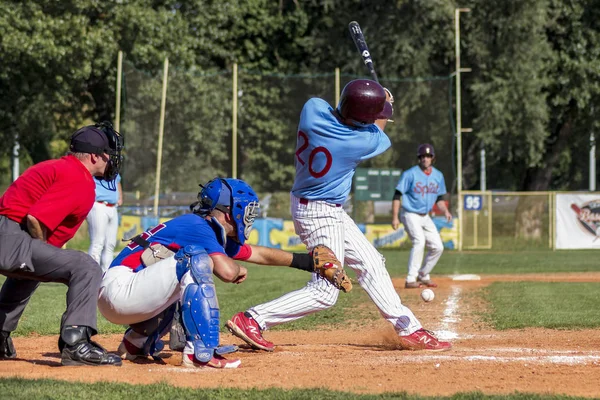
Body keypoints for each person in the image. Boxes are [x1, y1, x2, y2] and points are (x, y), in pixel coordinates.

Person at [226, 79, 452, 352]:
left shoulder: (312, 109)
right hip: (320, 214)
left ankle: (408, 328)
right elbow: (378, 125)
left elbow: (346, 109)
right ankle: (252, 319)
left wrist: (374, 99)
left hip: (319, 206)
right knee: (325, 293)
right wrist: (386, 100)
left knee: (371, 262)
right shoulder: (357, 143)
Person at [98, 178, 320, 369]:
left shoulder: (205, 229)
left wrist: (307, 262)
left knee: (187, 268)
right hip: (120, 291)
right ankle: (200, 354)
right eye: (245, 209)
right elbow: (226, 271)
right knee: (195, 258)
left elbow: (258, 254)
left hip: (122, 293)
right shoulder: (198, 227)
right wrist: (237, 269)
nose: (249, 217)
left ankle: (135, 343)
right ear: (229, 211)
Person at [0, 122, 124, 366]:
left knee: (28, 275)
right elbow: (35, 218)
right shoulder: (79, 177)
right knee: (86, 266)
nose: (111, 159)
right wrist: (42, 247)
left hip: (8, 234)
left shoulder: (59, 166)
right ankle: (76, 343)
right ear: (93, 156)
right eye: (108, 154)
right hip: (10, 236)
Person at [391, 143, 452, 289]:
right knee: (419, 241)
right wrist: (395, 216)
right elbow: (397, 195)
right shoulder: (410, 174)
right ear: (419, 158)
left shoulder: (438, 176)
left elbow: (439, 199)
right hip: (410, 213)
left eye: (428, 156)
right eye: (423, 156)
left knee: (438, 247)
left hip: (425, 216)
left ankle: (423, 274)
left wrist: (445, 211)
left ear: (433, 158)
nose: (426, 158)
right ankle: (411, 278)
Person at [87, 173, 123, 272]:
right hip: (98, 204)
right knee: (97, 243)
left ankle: (105, 275)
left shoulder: (112, 165)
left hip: (113, 206)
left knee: (110, 244)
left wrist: (120, 197)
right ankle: (91, 275)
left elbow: (117, 181)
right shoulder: (96, 163)